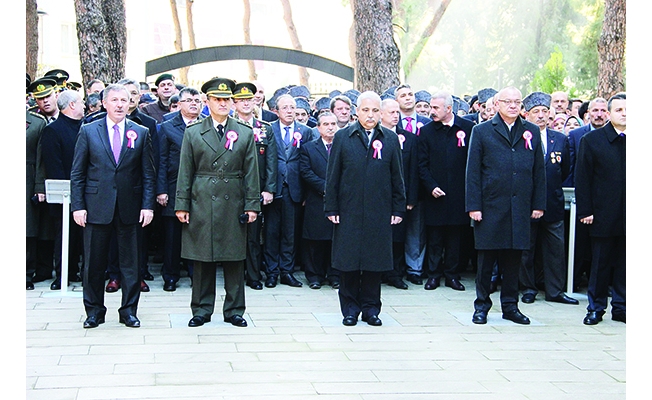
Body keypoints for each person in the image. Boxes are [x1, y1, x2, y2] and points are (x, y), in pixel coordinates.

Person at [175, 77, 260, 328]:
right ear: (207, 101)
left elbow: (251, 171)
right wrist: (182, 204)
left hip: (232, 199)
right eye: (217, 99)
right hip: (202, 199)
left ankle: (234, 309)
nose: (223, 104)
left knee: (234, 257)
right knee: (202, 257)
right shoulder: (193, 131)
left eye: (226, 99)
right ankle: (201, 309)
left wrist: (252, 205)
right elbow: (185, 170)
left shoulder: (243, 132)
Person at [70, 84, 156, 329]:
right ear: (105, 103)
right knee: (93, 265)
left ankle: (128, 311)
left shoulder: (140, 132)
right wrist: (78, 206)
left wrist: (147, 206)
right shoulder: (88, 131)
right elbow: (78, 173)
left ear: (131, 104)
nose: (120, 105)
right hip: (96, 207)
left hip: (130, 207)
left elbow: (148, 174)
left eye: (125, 100)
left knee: (131, 264)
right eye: (115, 100)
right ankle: (94, 311)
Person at [466, 87, 546, 325]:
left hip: (519, 206)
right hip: (491, 206)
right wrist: (474, 205)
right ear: (497, 104)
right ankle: (481, 306)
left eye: (517, 102)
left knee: (514, 259)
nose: (512, 106)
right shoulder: (481, 131)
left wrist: (538, 203)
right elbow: (473, 172)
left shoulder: (530, 130)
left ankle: (510, 306)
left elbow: (538, 171)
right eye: (507, 102)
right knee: (486, 260)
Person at [325, 91, 406, 327]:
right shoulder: (342, 137)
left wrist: (398, 208)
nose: (370, 115)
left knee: (374, 261)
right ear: (356, 112)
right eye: (365, 110)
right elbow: (333, 176)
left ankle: (371, 309)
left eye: (375, 111)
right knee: (349, 262)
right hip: (348, 210)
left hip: (379, 211)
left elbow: (397, 176)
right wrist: (331, 207)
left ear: (381, 113)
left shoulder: (390, 139)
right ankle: (350, 309)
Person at [519, 92, 577, 305]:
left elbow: (564, 169)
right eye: (536, 112)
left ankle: (555, 290)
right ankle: (528, 288)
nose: (541, 116)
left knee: (555, 249)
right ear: (527, 114)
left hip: (552, 203)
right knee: (527, 248)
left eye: (545, 111)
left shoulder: (560, 138)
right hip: (527, 203)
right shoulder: (520, 136)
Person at [575, 93, 626, 325]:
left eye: (628, 110)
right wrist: (585, 210)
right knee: (601, 263)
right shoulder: (592, 141)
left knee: (627, 263)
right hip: (603, 213)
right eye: (619, 110)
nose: (624, 114)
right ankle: (596, 307)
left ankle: (622, 306)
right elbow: (582, 178)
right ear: (608, 114)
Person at [418, 91, 475, 291]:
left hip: (459, 195)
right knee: (435, 238)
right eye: (431, 107)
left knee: (455, 238)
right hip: (435, 194)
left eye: (435, 108)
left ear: (448, 109)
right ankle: (433, 275)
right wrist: (431, 186)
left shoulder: (468, 129)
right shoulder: (426, 132)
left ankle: (452, 275)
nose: (431, 111)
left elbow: (473, 162)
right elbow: (421, 165)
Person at [263, 94, 315, 288]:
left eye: (292, 107)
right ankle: (271, 271)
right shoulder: (268, 129)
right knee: (271, 232)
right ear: (277, 111)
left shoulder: (306, 131)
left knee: (290, 234)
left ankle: (287, 271)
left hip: (295, 189)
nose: (289, 111)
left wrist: (306, 193)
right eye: (285, 108)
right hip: (273, 187)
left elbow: (308, 161)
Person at [231, 82, 278, 291]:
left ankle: (253, 275)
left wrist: (268, 189)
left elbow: (271, 162)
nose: (246, 104)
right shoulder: (227, 126)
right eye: (241, 100)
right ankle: (233, 275)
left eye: (249, 100)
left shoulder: (265, 128)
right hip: (230, 190)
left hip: (255, 190)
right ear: (234, 103)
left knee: (253, 235)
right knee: (232, 234)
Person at [156, 87, 203, 291]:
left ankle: (196, 275)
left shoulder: (206, 125)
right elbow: (161, 161)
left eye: (197, 100)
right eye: (189, 100)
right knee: (173, 236)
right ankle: (171, 276)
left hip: (200, 188)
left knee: (196, 234)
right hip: (174, 187)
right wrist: (161, 190)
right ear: (180, 104)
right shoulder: (167, 127)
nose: (194, 103)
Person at [39, 89, 86, 290]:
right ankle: (62, 274)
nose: (84, 105)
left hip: (86, 191)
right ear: (72, 105)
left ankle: (75, 270)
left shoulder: (86, 127)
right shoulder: (54, 130)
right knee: (64, 234)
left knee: (81, 235)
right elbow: (53, 164)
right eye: (81, 102)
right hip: (64, 192)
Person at [394, 84, 432, 285]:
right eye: (403, 95)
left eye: (410, 94)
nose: (408, 98)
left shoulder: (426, 124)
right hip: (397, 185)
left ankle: (415, 268)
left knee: (416, 229)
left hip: (420, 183)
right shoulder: (391, 123)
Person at [379, 98, 417, 290]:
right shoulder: (373, 138)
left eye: (397, 113)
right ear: (380, 114)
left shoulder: (408, 138)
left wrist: (409, 198)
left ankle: (396, 273)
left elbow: (411, 170)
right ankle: (377, 272)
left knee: (398, 237)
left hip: (398, 196)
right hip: (377, 196)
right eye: (391, 112)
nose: (396, 116)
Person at [299, 112, 338, 289]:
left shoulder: (342, 146)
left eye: (333, 124)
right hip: (316, 199)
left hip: (338, 201)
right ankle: (314, 275)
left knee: (335, 239)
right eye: (326, 124)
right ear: (319, 127)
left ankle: (334, 275)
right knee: (315, 240)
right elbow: (306, 171)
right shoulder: (309, 148)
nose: (330, 127)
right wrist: (325, 187)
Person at [26, 108, 48, 289]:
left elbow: (41, 158)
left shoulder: (37, 122)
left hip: (27, 178)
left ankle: (26, 272)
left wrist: (39, 186)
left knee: (27, 228)